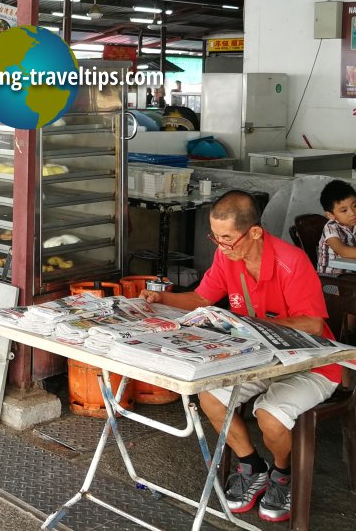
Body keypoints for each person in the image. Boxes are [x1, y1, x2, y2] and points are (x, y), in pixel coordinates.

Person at [141, 190, 339, 523]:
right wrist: (159, 299)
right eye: (215, 237)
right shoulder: (227, 257)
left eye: (228, 239)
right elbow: (203, 297)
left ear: (256, 233)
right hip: (257, 358)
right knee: (210, 396)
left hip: (310, 362)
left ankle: (282, 474)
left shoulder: (291, 262)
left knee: (269, 418)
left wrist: (259, 325)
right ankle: (251, 466)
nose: (220, 247)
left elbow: (313, 324)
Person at [316, 179, 356, 276]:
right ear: (330, 215)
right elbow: (343, 251)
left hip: (351, 278)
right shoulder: (330, 228)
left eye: (355, 206)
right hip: (331, 282)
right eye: (344, 210)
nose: (352, 213)